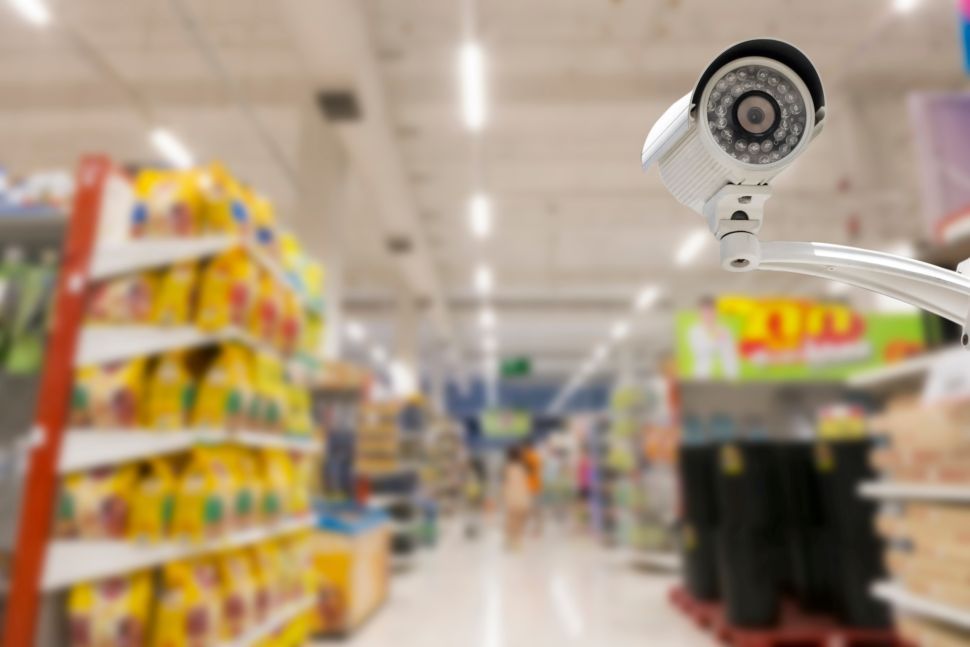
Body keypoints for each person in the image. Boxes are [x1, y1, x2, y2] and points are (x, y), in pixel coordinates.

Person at [502, 446, 532, 550]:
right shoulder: (524, 467)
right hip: (522, 496)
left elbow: (505, 483)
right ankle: (517, 542)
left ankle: (510, 540)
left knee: (511, 519)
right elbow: (526, 482)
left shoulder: (507, 467)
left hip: (511, 496)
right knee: (520, 519)